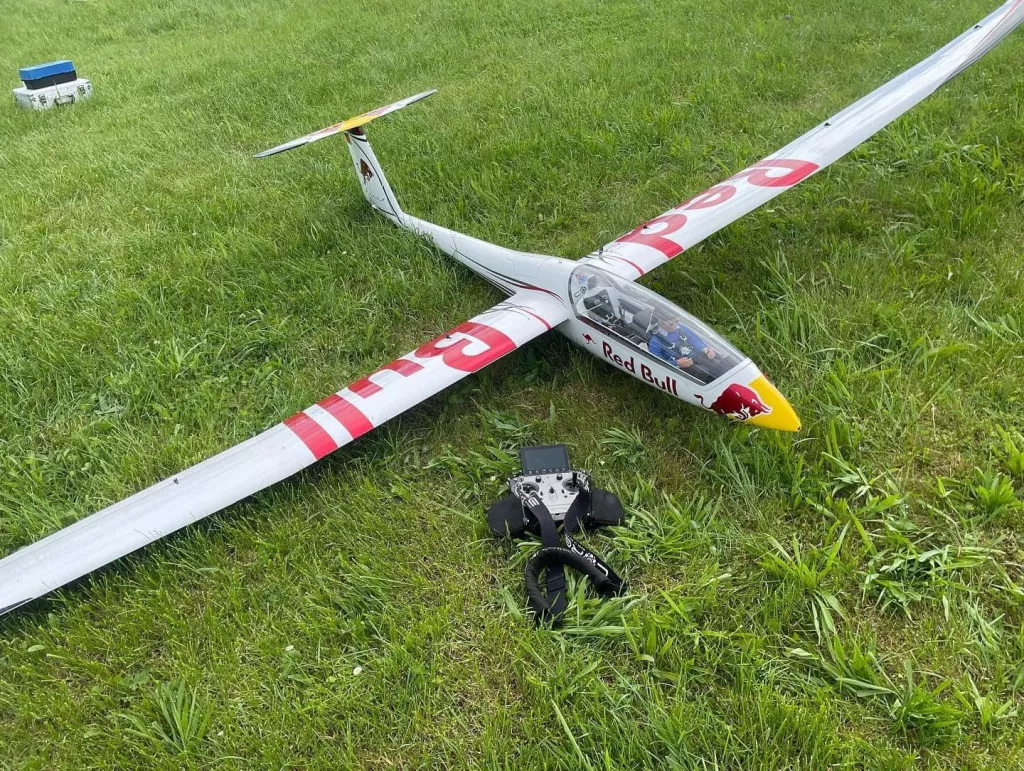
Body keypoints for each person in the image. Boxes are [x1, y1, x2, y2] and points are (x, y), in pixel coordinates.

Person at [647, 313, 717, 370]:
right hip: (682, 368)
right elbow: (656, 362)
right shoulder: (656, 339)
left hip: (697, 358)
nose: (675, 326)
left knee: (719, 364)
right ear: (660, 322)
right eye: (670, 324)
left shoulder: (681, 328)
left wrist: (705, 349)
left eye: (676, 321)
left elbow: (695, 341)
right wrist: (676, 363)